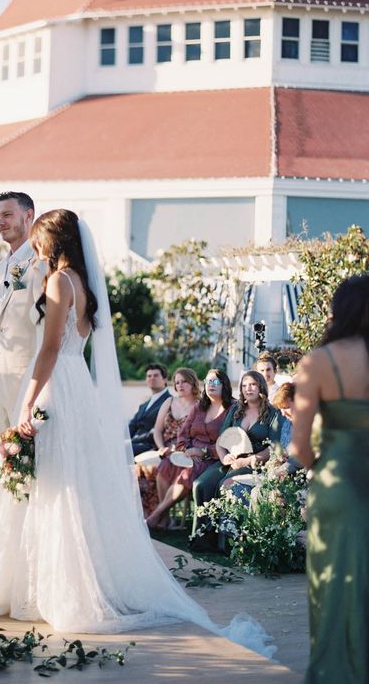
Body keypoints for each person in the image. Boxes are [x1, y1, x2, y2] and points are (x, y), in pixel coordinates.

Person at [0, 210, 272, 656]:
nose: (35, 247)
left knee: (52, 483)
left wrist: (27, 402)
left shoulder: (58, 282)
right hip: (75, 387)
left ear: (53, 240)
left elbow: (50, 349)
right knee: (67, 482)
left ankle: (46, 587)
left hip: (55, 385)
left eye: (39, 239)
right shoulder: (83, 285)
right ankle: (44, 582)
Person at [291, 274, 369, 683]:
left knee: (335, 582)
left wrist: (316, 466)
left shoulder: (319, 362)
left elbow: (298, 446)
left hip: (338, 484)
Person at [0, 192, 47, 435]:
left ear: (28, 216)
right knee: (0, 450)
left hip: (28, 379)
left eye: (7, 215)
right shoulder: (0, 267)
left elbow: (46, 324)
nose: (1, 222)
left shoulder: (41, 262)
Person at [191, 370, 281, 544]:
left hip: (255, 463)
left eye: (253, 384)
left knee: (225, 484)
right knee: (201, 485)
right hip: (229, 460)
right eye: (244, 385)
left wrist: (248, 460)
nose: (248, 389)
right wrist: (224, 457)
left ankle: (226, 542)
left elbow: (274, 448)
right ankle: (202, 539)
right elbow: (221, 440)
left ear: (261, 387)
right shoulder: (236, 410)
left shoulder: (273, 413)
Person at [146, 368, 232, 533]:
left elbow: (229, 441)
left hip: (213, 457)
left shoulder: (232, 408)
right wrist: (186, 449)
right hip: (190, 453)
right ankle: (163, 519)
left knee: (188, 474)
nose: (211, 385)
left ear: (224, 384)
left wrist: (204, 452)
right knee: (165, 465)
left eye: (215, 382)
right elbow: (183, 434)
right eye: (208, 382)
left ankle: (155, 516)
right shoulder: (200, 407)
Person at [129, 364, 171, 456]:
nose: (152, 378)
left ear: (165, 379)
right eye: (149, 376)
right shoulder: (144, 404)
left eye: (156, 375)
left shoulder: (169, 401)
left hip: (151, 445)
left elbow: (157, 431)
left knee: (121, 449)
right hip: (134, 443)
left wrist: (129, 441)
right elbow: (132, 426)